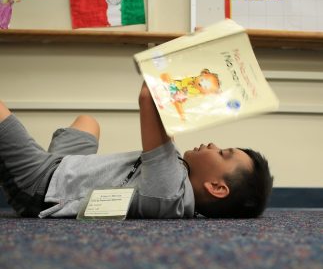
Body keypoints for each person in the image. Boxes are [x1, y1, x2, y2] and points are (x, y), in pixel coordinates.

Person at [0, 83, 273, 219]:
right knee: (88, 122)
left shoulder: (169, 191)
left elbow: (148, 97)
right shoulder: (178, 183)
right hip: (66, 167)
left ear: (216, 186)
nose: (213, 145)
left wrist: (179, 54)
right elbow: (166, 122)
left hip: (41, 186)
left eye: (223, 153)